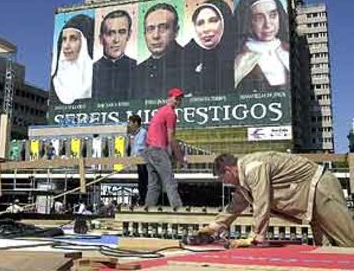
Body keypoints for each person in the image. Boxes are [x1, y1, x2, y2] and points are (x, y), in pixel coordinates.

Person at [198, 151, 354, 247]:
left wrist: (254, 237)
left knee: (348, 242)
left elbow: (261, 202)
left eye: (222, 178)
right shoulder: (243, 183)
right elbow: (234, 207)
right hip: (310, 200)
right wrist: (211, 228)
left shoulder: (252, 167)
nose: (224, 182)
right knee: (326, 252)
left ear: (228, 170)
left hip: (321, 187)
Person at [234, 0, 290, 92]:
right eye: (259, 18)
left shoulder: (288, 50)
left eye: (273, 15)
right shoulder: (241, 59)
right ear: (248, 22)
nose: (268, 25)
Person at [141, 88, 186, 208]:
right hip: (157, 151)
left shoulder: (160, 111)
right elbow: (171, 138)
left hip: (149, 151)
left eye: (180, 99)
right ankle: (179, 211)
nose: (178, 102)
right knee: (170, 182)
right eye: (176, 98)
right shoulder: (170, 113)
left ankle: (147, 212)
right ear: (169, 98)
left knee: (154, 185)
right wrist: (180, 157)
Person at [131, 3, 185, 99]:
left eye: (163, 27)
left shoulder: (191, 62)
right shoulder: (136, 72)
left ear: (176, 31)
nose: (156, 35)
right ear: (144, 34)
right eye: (150, 29)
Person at [184, 0, 234, 96]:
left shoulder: (238, 54)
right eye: (200, 23)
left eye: (213, 21)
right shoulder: (185, 56)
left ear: (225, 22)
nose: (205, 29)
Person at [51, 14, 94, 104]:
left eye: (73, 38)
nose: (66, 46)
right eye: (64, 39)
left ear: (84, 42)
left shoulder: (97, 78)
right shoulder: (54, 81)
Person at [93, 10, 136, 100]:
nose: (116, 40)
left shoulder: (138, 68)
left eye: (122, 32)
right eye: (110, 33)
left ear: (129, 35)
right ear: (101, 39)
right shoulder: (91, 71)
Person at [128, 114, 148, 205]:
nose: (130, 125)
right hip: (138, 160)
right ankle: (142, 198)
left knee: (144, 180)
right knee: (141, 180)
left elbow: (140, 147)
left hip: (143, 160)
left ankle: (145, 199)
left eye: (131, 123)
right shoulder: (135, 134)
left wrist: (135, 156)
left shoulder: (143, 132)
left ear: (136, 123)